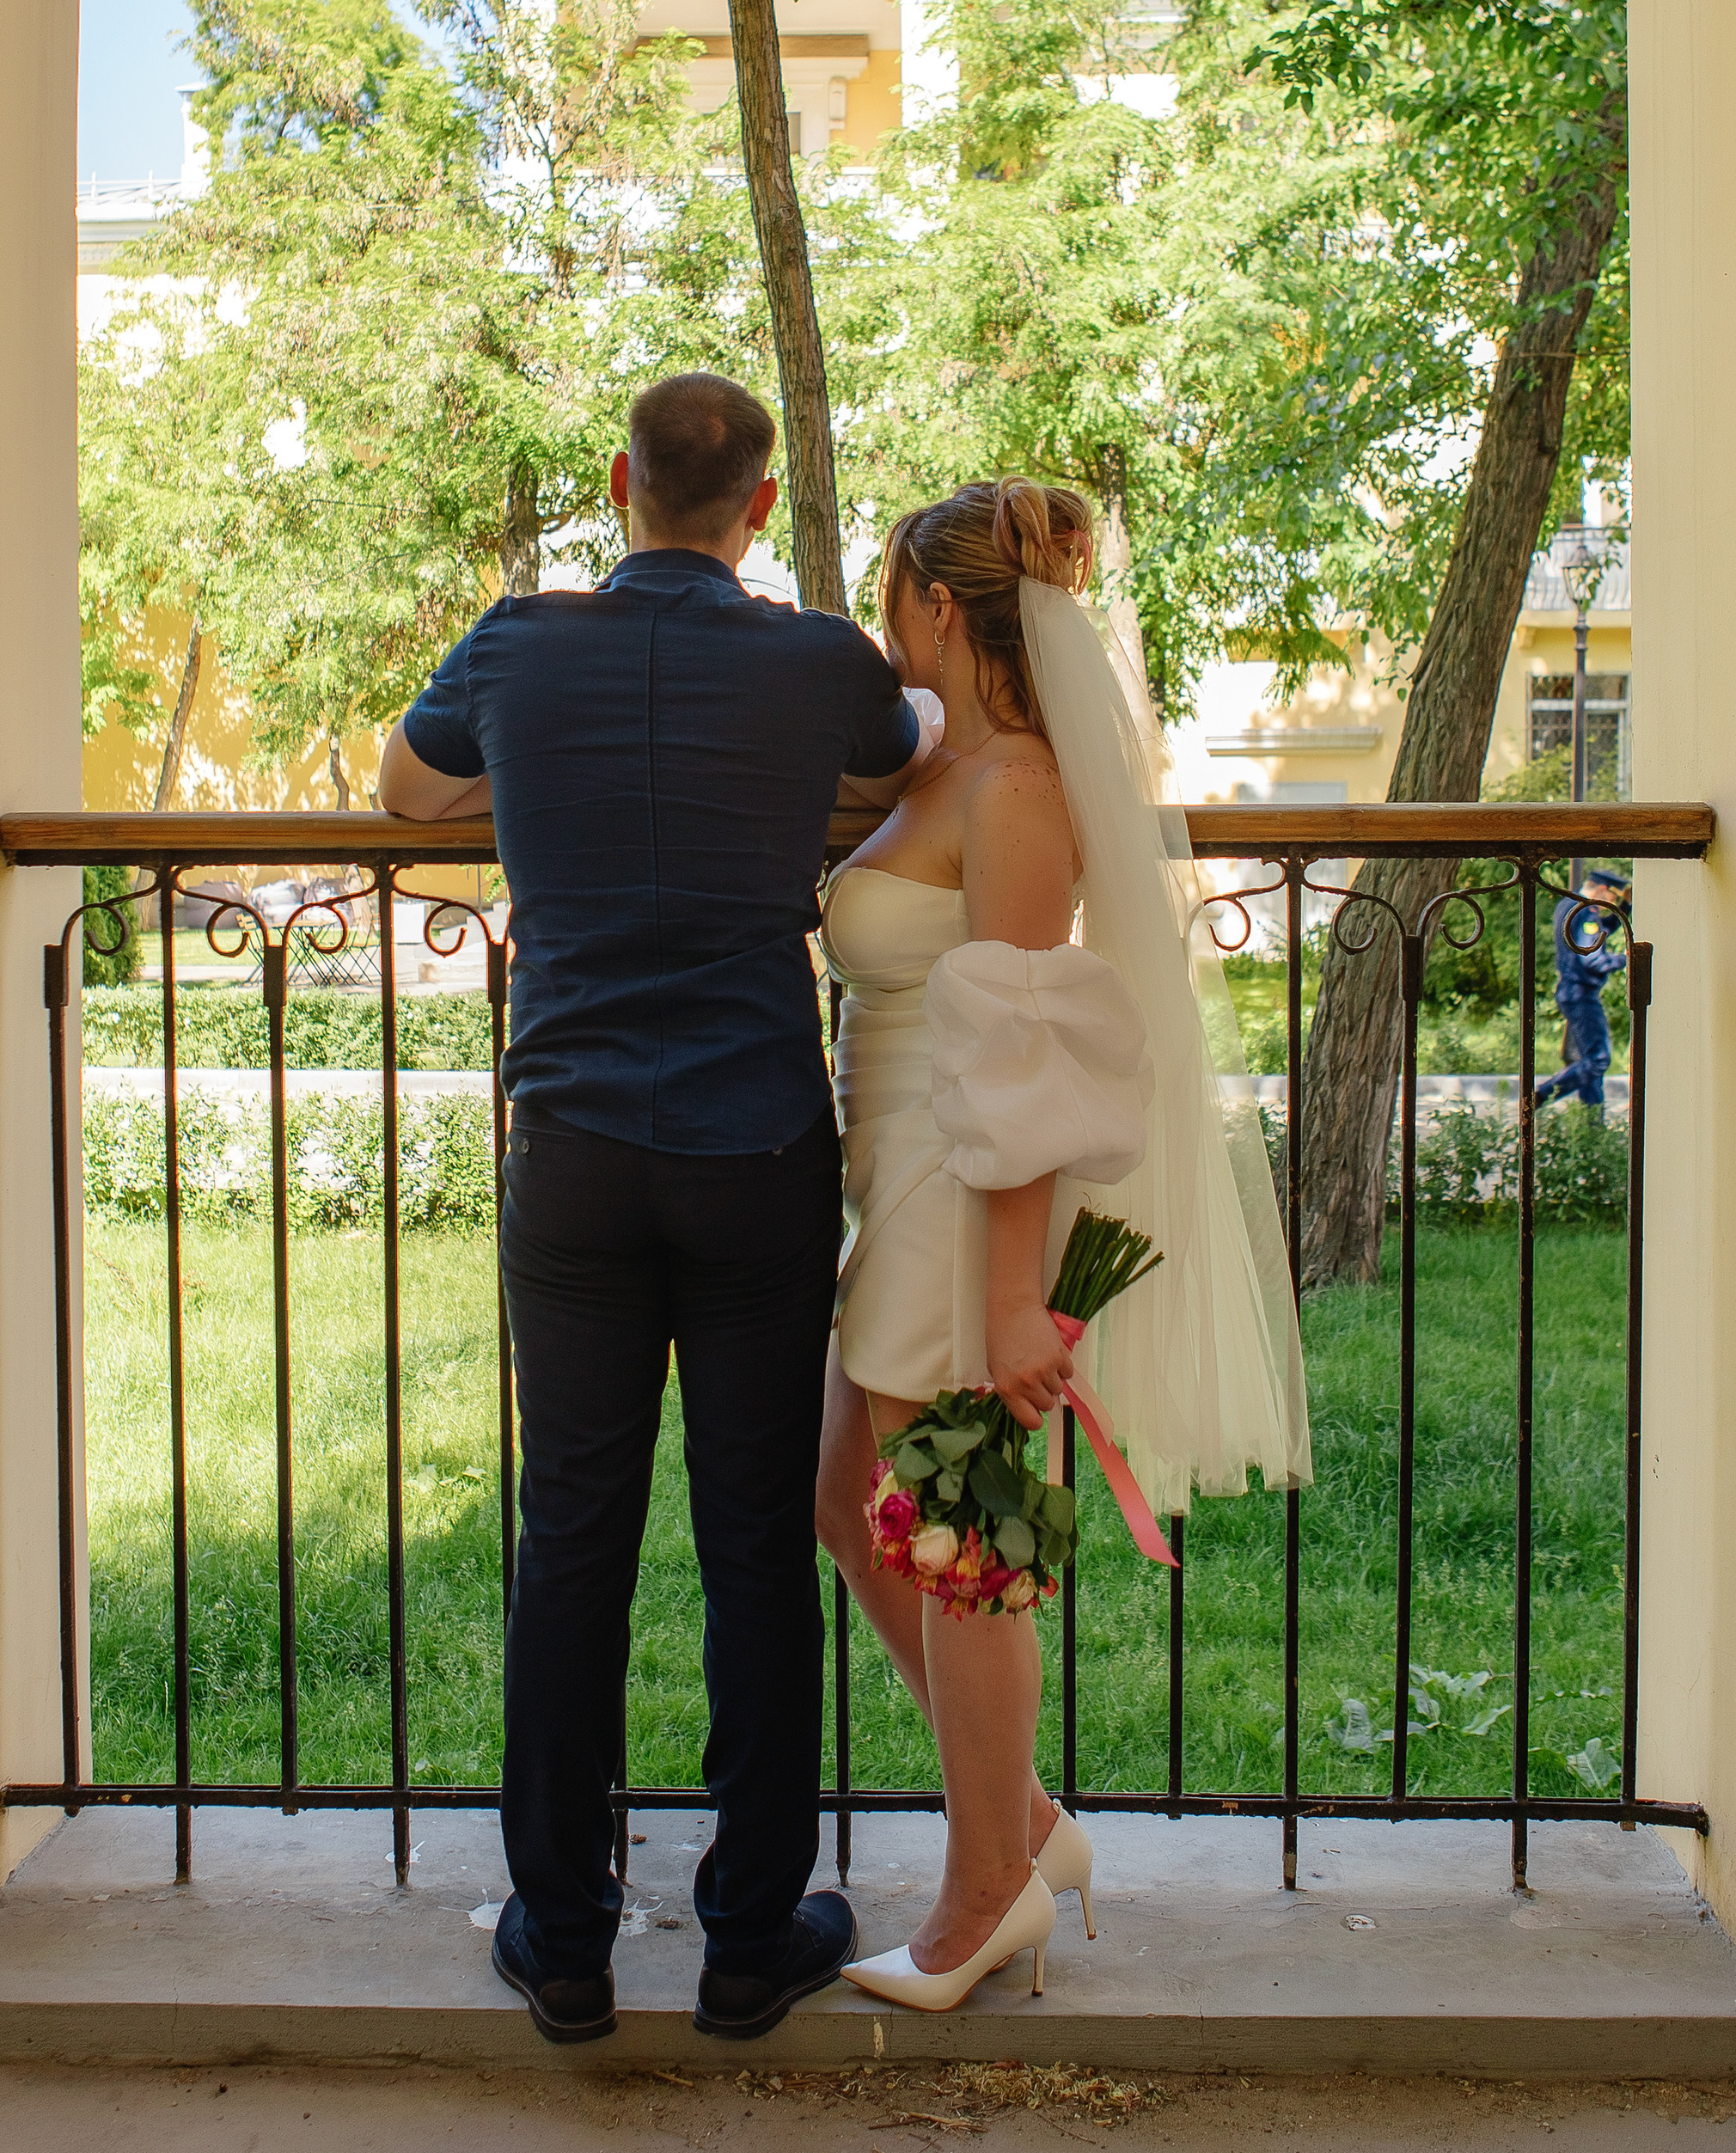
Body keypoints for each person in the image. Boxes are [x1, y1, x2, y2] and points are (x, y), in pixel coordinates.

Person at [378, 373, 936, 2047]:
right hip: (756, 1143)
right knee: (754, 1539)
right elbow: (899, 776)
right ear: (759, 508)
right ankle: (748, 1936)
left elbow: (409, 803)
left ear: (620, 485)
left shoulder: (513, 648)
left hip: (572, 1148)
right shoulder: (819, 662)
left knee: (574, 1534)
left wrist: (542, 801)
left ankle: (560, 1937)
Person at [813, 480, 1311, 2015]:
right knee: (842, 1500)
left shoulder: (1018, 789)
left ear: (940, 611)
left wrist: (1015, 1295)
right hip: (896, 1173)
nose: (876, 621)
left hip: (962, 1197)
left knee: (960, 1545)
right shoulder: (940, 763)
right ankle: (1021, 1823)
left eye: (890, 595)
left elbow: (1024, 1051)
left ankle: (983, 1898)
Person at [1534, 872, 1631, 1113]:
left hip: (1571, 991)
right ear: (1602, 889)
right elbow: (1591, 958)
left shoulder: (1569, 904)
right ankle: (1539, 1095)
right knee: (1598, 1059)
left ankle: (1593, 1126)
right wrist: (1624, 959)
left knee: (1590, 1062)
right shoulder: (1587, 911)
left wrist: (1625, 906)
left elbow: (1602, 930)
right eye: (1612, 896)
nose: (1610, 902)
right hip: (1581, 993)